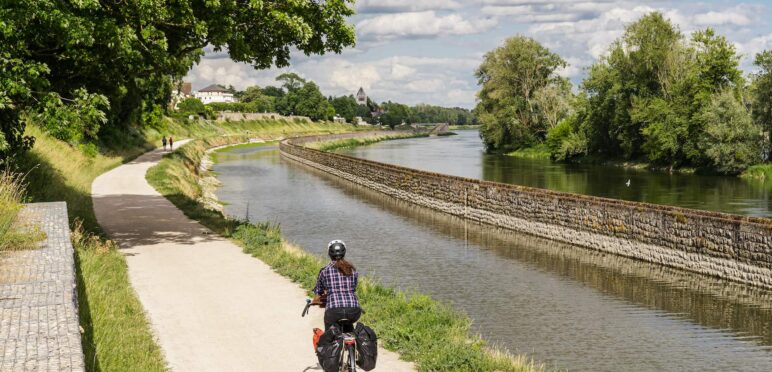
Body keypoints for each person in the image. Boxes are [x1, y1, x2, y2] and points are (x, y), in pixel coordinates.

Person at [312, 240, 361, 331]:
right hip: (354, 310)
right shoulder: (352, 270)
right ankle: (355, 342)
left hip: (334, 311)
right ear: (344, 253)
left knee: (329, 336)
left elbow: (318, 291)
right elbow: (353, 288)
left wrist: (318, 298)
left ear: (329, 254)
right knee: (350, 327)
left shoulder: (325, 271)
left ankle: (328, 344)